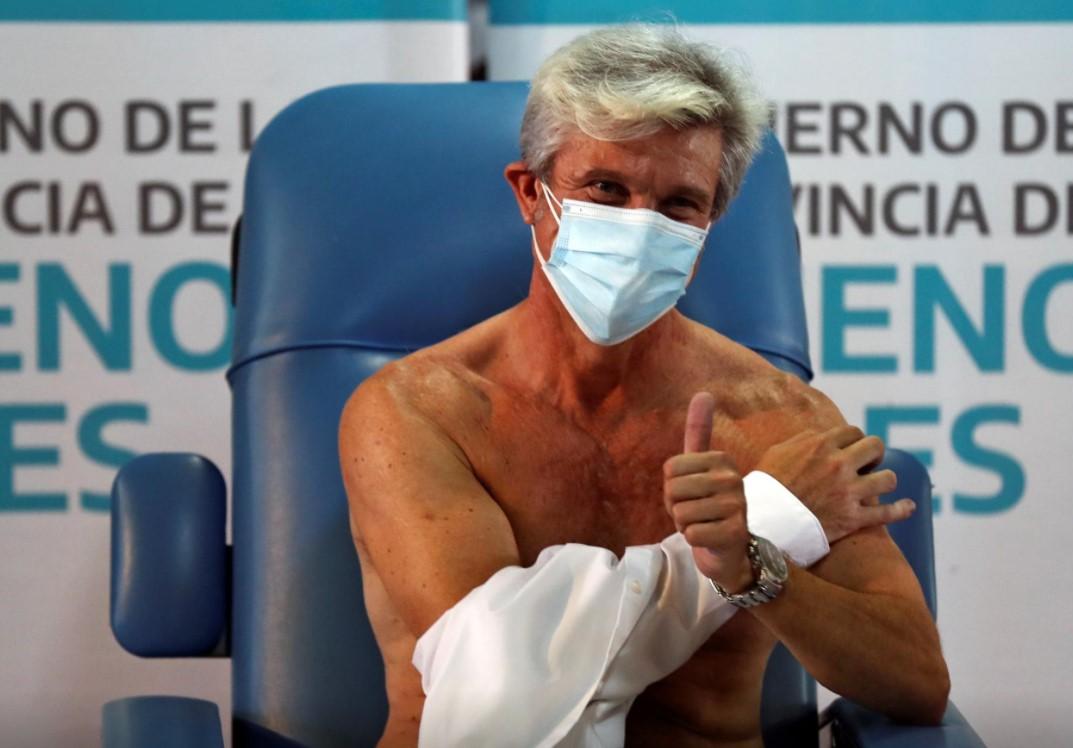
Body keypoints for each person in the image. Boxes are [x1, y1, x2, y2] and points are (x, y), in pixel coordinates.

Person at [339, 23, 949, 748]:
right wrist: (766, 524)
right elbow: (499, 692)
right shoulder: (417, 411)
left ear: (708, 226)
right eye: (605, 188)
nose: (638, 226)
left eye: (678, 205)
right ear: (531, 193)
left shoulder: (779, 422)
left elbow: (917, 683)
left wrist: (759, 569)